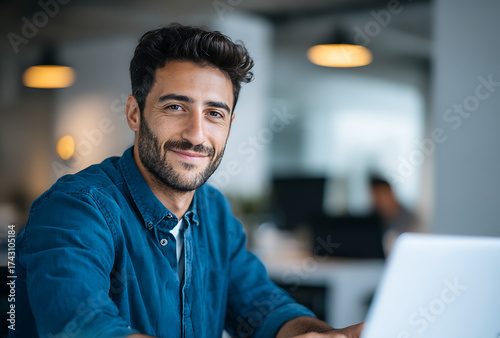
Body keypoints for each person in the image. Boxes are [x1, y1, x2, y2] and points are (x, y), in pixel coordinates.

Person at [12, 24, 363, 338]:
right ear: (135, 114)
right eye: (175, 107)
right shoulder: (75, 207)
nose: (196, 134)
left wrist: (324, 335)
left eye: (214, 113)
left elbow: (263, 307)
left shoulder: (214, 210)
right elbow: (84, 327)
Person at [369, 176, 420, 255]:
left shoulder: (409, 219)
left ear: (390, 192)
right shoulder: (374, 218)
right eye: (374, 197)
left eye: (380, 195)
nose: (377, 201)